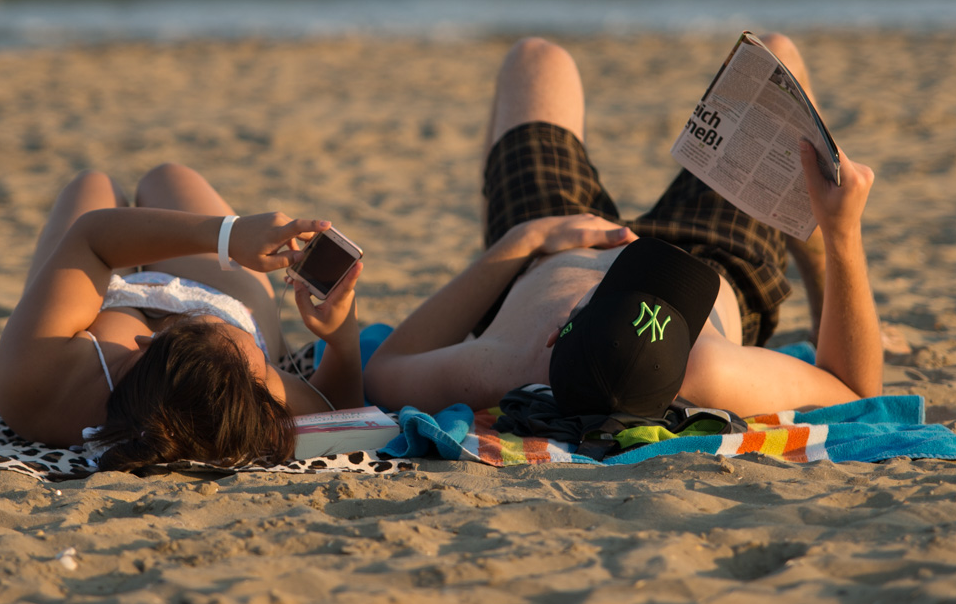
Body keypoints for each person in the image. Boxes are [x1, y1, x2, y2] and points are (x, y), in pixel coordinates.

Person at [364, 35, 882, 420]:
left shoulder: (502, 365)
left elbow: (385, 370)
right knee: (777, 57)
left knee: (537, 59)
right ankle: (823, 295)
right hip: (710, 256)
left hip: (547, 245)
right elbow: (855, 391)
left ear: (553, 336)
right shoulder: (710, 371)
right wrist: (842, 234)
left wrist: (524, 241)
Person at [0, 164, 362, 470]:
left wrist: (228, 236)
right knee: (168, 177)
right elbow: (340, 411)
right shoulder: (249, 386)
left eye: (191, 320)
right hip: (221, 293)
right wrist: (343, 338)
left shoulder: (39, 382)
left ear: (147, 343)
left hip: (102, 294)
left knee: (93, 183)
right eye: (264, 365)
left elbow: (91, 237)